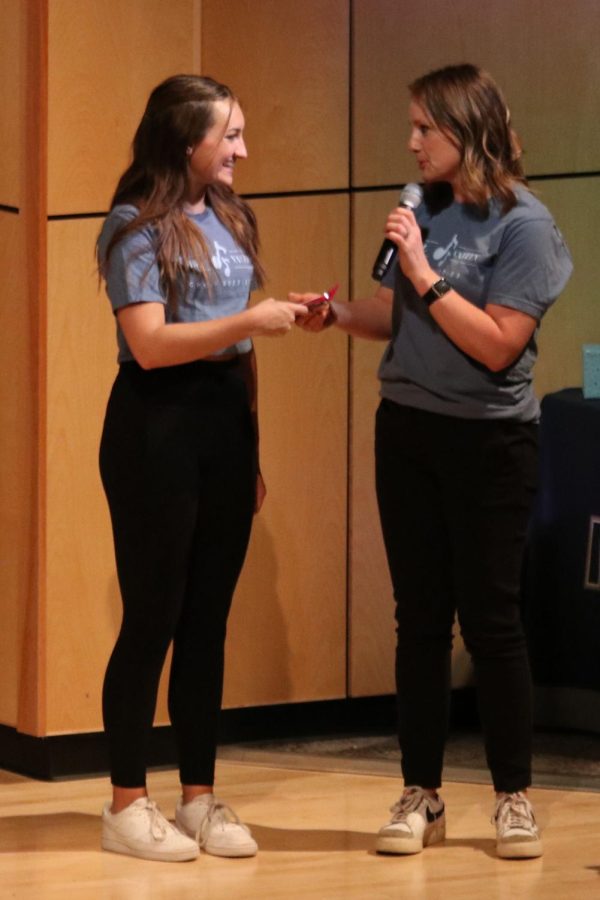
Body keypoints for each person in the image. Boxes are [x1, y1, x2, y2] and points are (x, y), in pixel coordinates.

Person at [294, 63, 572, 859]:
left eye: (424, 128)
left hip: (490, 442)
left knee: (491, 621)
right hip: (408, 432)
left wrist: (422, 269)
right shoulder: (428, 207)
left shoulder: (525, 226)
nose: (411, 143)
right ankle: (420, 792)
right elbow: (402, 316)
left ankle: (513, 796)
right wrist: (340, 314)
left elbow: (496, 343)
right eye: (411, 127)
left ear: (465, 131)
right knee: (418, 619)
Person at [96, 74, 306, 863]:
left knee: (207, 620)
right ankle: (125, 803)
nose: (244, 150)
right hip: (157, 426)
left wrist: (250, 445)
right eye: (231, 137)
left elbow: (242, 351)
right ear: (189, 144)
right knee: (153, 615)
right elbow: (149, 345)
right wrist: (249, 318)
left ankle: (198, 797)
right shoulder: (133, 227)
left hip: (222, 425)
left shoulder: (229, 217)